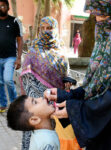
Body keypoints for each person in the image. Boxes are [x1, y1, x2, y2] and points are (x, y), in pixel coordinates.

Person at [44, 0, 111, 150]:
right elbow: (100, 85)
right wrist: (68, 96)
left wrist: (79, 111)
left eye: (103, 15)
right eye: (95, 16)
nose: (98, 21)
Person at [20, 16, 81, 150]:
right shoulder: (33, 52)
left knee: (54, 140)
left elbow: (66, 73)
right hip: (38, 104)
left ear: (55, 30)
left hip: (57, 104)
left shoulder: (61, 52)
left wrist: (67, 82)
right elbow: (27, 78)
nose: (46, 31)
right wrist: (40, 101)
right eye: (43, 28)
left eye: (50, 28)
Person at [0, 0, 23, 112]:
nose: (1, 8)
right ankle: (3, 104)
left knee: (8, 80)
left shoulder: (14, 21)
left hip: (10, 57)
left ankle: (14, 103)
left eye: (3, 5)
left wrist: (19, 58)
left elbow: (20, 40)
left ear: (8, 7)